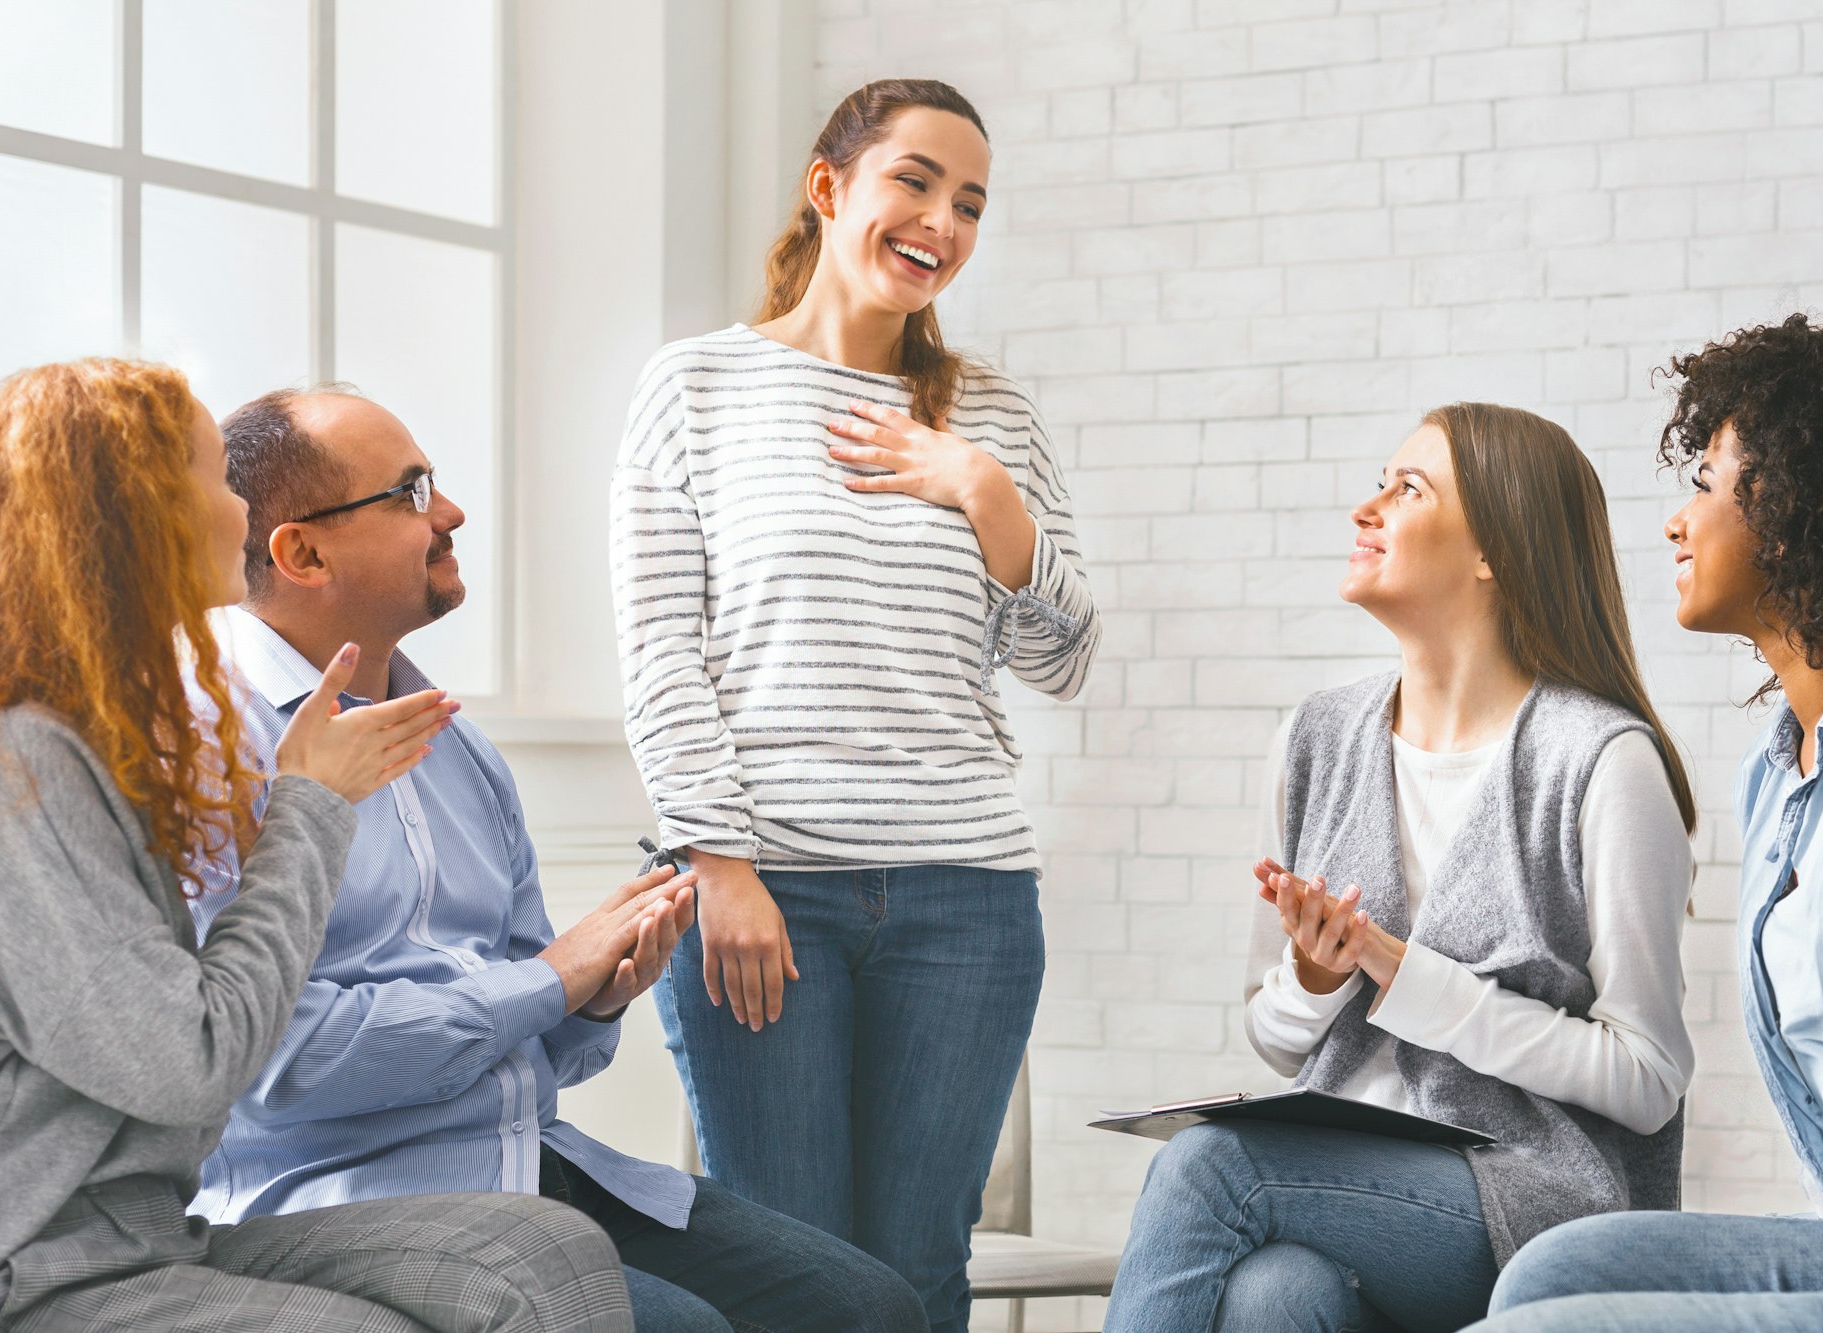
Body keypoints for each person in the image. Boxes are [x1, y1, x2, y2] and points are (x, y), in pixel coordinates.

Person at [194, 386, 928, 1333]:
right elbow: (282, 1062)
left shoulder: (461, 754)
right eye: (411, 492)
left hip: (529, 1157)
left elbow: (544, 1039)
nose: (451, 514)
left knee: (868, 1308)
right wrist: (551, 977)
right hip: (349, 1195)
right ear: (302, 550)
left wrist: (600, 988)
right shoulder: (208, 750)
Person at [0, 360, 633, 1333]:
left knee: (544, 1250)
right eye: (219, 482)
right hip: (16, 1272)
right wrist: (309, 806)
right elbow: (193, 1067)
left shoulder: (93, 736)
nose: (243, 515)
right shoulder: (11, 767)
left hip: (146, 1233)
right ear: (135, 515)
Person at [610, 78, 1100, 1330]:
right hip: (765, 889)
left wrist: (986, 498)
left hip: (966, 900)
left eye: (971, 202)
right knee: (788, 1272)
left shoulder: (990, 421)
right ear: (830, 189)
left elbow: (1061, 659)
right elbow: (662, 656)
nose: (942, 219)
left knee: (920, 1269)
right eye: (916, 181)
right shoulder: (695, 391)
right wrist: (718, 864)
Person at [1104, 404, 1698, 1333]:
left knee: (1210, 1162)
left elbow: (1649, 1076)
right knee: (1276, 1295)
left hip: (1532, 1200)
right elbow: (1275, 1036)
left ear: (1494, 549)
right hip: (1345, 1183)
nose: (1366, 508)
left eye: (1407, 488)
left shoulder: (1602, 762)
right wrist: (1312, 981)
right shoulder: (1317, 737)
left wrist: (1415, 980)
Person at [1475, 316, 1823, 1331]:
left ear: (1797, 511)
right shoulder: (1779, 774)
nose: (1676, 523)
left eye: (1705, 483)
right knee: (1550, 1276)